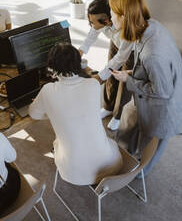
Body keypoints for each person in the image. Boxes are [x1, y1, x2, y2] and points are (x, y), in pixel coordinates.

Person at [109, 0, 182, 176]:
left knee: (149, 147)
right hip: (156, 87)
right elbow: (151, 69)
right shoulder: (151, 25)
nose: (110, 17)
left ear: (123, 17)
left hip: (164, 104)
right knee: (128, 113)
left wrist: (128, 79)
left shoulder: (152, 54)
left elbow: (162, 90)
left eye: (112, 13)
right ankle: (122, 155)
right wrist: (133, 72)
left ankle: (136, 175)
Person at [29, 43, 123, 185]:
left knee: (57, 144)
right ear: (78, 63)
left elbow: (34, 114)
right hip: (110, 164)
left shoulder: (48, 90)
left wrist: (52, 111)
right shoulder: (93, 84)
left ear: (52, 68)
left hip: (75, 174)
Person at [78, 0, 135, 131]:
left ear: (107, 21)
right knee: (110, 76)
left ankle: (118, 115)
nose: (90, 24)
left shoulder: (126, 29)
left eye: (92, 22)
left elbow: (120, 58)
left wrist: (99, 77)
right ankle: (108, 107)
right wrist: (80, 51)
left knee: (124, 82)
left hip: (131, 51)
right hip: (116, 43)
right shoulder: (101, 21)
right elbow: (92, 34)